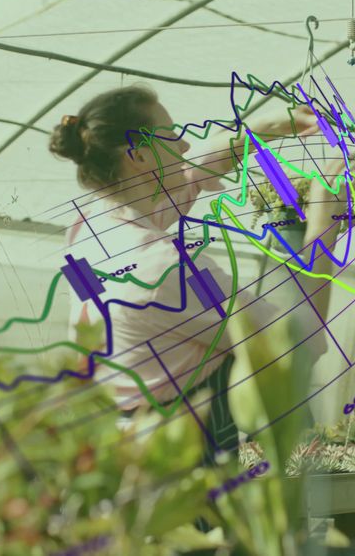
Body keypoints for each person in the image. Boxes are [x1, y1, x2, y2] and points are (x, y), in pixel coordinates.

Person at [50, 84, 340, 465]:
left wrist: (270, 126)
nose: (185, 145)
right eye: (171, 136)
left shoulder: (88, 231)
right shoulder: (170, 272)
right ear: (139, 156)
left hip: (120, 440)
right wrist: (324, 222)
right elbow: (293, 345)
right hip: (182, 463)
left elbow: (189, 172)